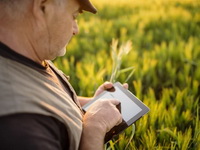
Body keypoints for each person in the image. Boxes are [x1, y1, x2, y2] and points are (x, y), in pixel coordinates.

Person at [0, 0, 128, 150]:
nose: (76, 29)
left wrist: (89, 104)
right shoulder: (21, 127)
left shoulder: (28, 53)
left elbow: (43, 98)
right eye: (74, 16)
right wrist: (94, 128)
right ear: (43, 8)